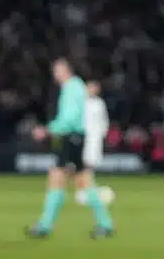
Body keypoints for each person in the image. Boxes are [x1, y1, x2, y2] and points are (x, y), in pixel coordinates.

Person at [26, 60, 115, 239]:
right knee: (72, 179)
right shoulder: (74, 87)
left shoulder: (72, 88)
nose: (56, 75)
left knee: (67, 179)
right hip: (73, 138)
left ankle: (46, 226)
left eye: (58, 71)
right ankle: (103, 224)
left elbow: (69, 118)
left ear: (67, 71)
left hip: (71, 138)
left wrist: (47, 130)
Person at [75, 81, 109, 206]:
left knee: (90, 164)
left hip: (95, 138)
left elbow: (104, 120)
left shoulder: (99, 103)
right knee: (82, 164)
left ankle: (88, 189)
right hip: (82, 136)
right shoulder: (80, 102)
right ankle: (82, 191)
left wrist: (102, 133)